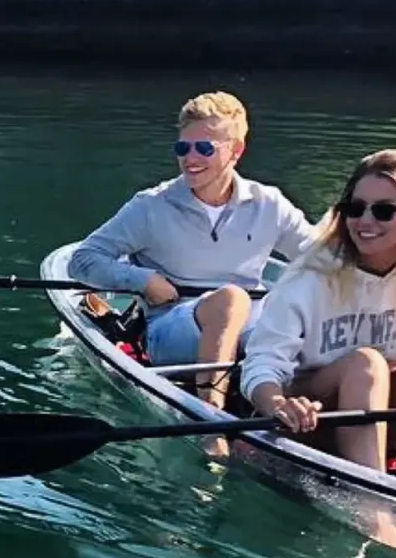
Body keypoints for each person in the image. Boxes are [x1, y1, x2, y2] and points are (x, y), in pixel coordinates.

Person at [242, 149, 396, 532]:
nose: (364, 221)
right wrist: (276, 402)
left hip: (385, 417)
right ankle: (375, 514)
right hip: (313, 419)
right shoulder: (311, 276)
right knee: (366, 363)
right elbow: (261, 362)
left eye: (383, 211)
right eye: (354, 208)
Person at [69, 91, 318, 415]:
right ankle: (211, 416)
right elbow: (83, 260)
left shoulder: (269, 204)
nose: (190, 158)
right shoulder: (151, 206)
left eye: (204, 148)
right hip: (171, 331)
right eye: (182, 147)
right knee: (232, 299)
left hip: (252, 332)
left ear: (236, 151)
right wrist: (143, 280)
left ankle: (299, 411)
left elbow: (318, 257)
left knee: (298, 323)